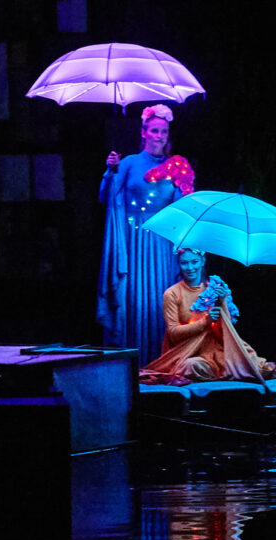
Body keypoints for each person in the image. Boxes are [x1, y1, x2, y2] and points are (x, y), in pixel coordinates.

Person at [98, 103, 196, 364]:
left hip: (161, 244)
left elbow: (182, 208)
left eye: (163, 131)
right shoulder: (128, 163)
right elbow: (106, 198)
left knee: (161, 301)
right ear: (144, 132)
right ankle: (133, 365)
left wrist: (186, 188)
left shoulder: (176, 166)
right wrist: (111, 170)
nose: (159, 136)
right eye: (154, 130)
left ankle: (162, 362)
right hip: (132, 243)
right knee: (132, 301)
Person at [139, 248, 276, 385]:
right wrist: (205, 321)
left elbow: (229, 328)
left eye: (194, 262)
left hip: (220, 349)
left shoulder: (215, 288)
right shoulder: (172, 293)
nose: (190, 268)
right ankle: (220, 378)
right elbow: (173, 334)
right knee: (192, 367)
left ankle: (224, 372)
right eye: (184, 263)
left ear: (203, 262)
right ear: (179, 264)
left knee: (256, 367)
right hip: (189, 352)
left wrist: (222, 303)